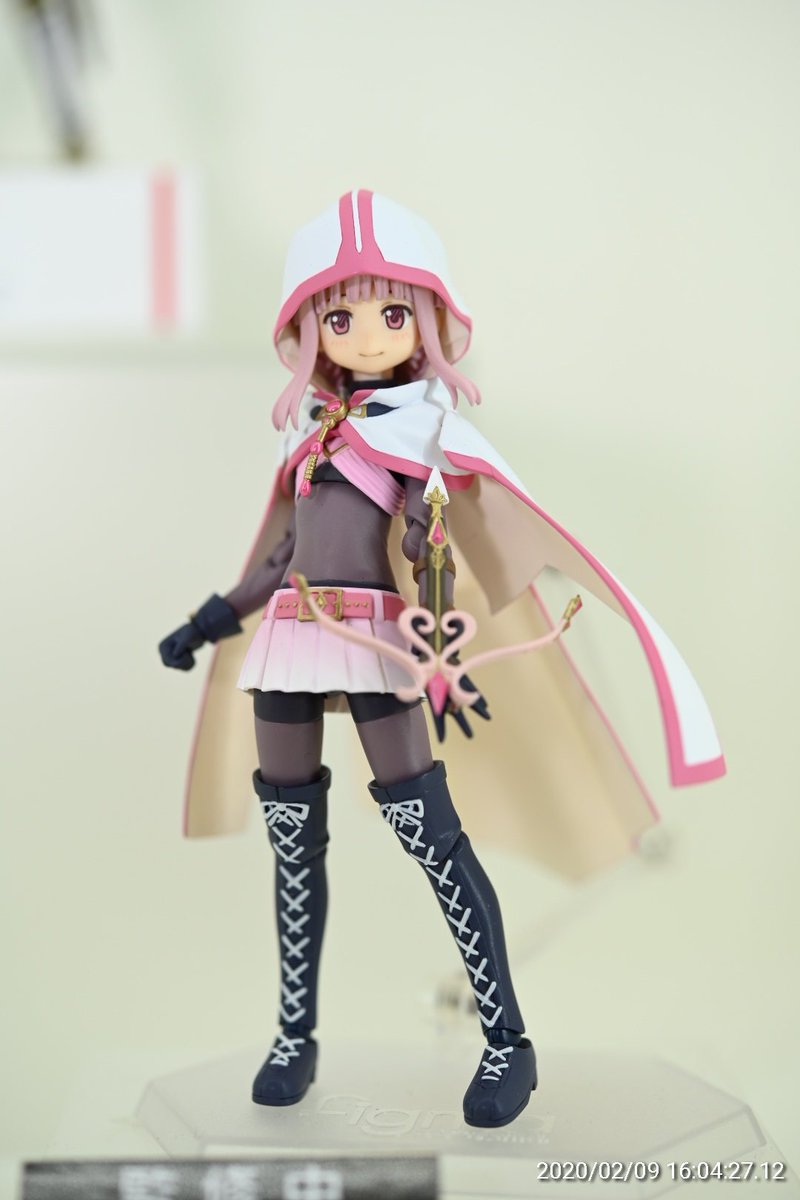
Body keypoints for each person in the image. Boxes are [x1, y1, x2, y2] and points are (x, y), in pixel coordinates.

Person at [159, 190, 725, 1129]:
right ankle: (294, 1035)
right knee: (292, 841)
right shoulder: (309, 436)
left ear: (425, 322)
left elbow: (435, 558)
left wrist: (434, 651)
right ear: (309, 328)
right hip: (292, 635)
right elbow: (280, 555)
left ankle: (507, 1040)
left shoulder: (423, 433)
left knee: (429, 831)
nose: (366, 334)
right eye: (341, 316)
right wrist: (208, 619)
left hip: (380, 640)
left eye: (393, 313)